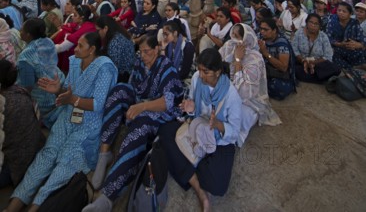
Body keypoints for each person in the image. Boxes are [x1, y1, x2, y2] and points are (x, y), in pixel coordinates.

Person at [5, 33, 118, 212]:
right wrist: (59, 90)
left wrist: (72, 99)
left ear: (92, 50)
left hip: (88, 124)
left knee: (64, 165)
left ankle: (34, 208)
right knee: (46, 156)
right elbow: (68, 94)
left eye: (80, 46)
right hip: (67, 117)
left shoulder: (105, 68)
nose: (75, 48)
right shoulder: (74, 62)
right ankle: (13, 206)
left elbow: (97, 104)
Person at [84, 34, 183, 212]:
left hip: (158, 112)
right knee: (118, 90)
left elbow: (167, 102)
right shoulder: (140, 63)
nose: (143, 56)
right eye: (141, 52)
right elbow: (133, 86)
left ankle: (108, 196)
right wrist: (135, 105)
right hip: (140, 102)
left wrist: (142, 107)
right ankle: (104, 153)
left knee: (141, 126)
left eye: (147, 52)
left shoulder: (166, 67)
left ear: (156, 50)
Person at [158, 48, 242, 211]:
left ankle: (190, 164)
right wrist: (189, 108)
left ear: (218, 72)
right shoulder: (197, 79)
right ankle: (199, 189)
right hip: (197, 127)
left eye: (206, 71)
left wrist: (218, 125)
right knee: (165, 131)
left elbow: (235, 131)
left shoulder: (231, 95)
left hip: (219, 140)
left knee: (218, 187)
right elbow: (193, 106)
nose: (201, 75)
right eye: (199, 70)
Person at [220, 24, 281, 143]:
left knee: (239, 116)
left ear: (245, 39)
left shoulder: (255, 59)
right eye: (232, 34)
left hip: (249, 101)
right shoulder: (229, 46)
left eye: (236, 36)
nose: (233, 39)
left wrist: (238, 60)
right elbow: (216, 65)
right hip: (226, 88)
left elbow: (245, 93)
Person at [0, 59, 45, 188]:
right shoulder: (23, 92)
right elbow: (38, 120)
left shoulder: (4, 103)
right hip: (33, 153)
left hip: (14, 166)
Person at [16, 18, 65, 128]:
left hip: (44, 99)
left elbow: (26, 86)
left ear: (28, 35)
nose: (20, 31)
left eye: (22, 30)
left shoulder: (25, 58)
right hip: (58, 82)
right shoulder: (48, 41)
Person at [292, 13, 340, 83]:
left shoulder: (323, 36)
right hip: (301, 63)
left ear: (319, 26)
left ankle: (311, 76)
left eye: (316, 24)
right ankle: (321, 79)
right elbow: (294, 50)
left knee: (336, 69)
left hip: (318, 65)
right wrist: (303, 61)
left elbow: (328, 56)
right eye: (311, 22)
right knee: (294, 67)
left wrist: (314, 63)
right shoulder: (299, 33)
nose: (313, 26)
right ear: (306, 22)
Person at [258, 18, 296, 100]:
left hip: (278, 75)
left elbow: (283, 67)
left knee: (278, 88)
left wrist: (265, 53)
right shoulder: (260, 38)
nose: (262, 31)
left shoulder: (282, 44)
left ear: (274, 30)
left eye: (265, 29)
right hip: (263, 71)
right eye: (261, 29)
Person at [52, 5, 96, 73]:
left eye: (75, 15)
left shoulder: (87, 27)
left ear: (82, 17)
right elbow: (67, 27)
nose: (72, 17)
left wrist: (47, 50)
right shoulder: (79, 24)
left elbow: (63, 46)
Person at [95, 16, 135, 82]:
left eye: (98, 30)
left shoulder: (116, 41)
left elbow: (112, 66)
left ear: (105, 28)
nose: (97, 33)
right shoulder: (117, 34)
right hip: (123, 72)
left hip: (123, 75)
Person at [326, 2, 366, 68]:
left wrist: (358, 44)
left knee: (360, 52)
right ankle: (351, 67)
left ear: (350, 14)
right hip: (336, 47)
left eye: (344, 11)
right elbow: (328, 38)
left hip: (351, 47)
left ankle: (356, 66)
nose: (341, 13)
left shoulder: (354, 23)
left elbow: (362, 38)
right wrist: (339, 44)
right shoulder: (332, 21)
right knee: (333, 55)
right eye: (339, 10)